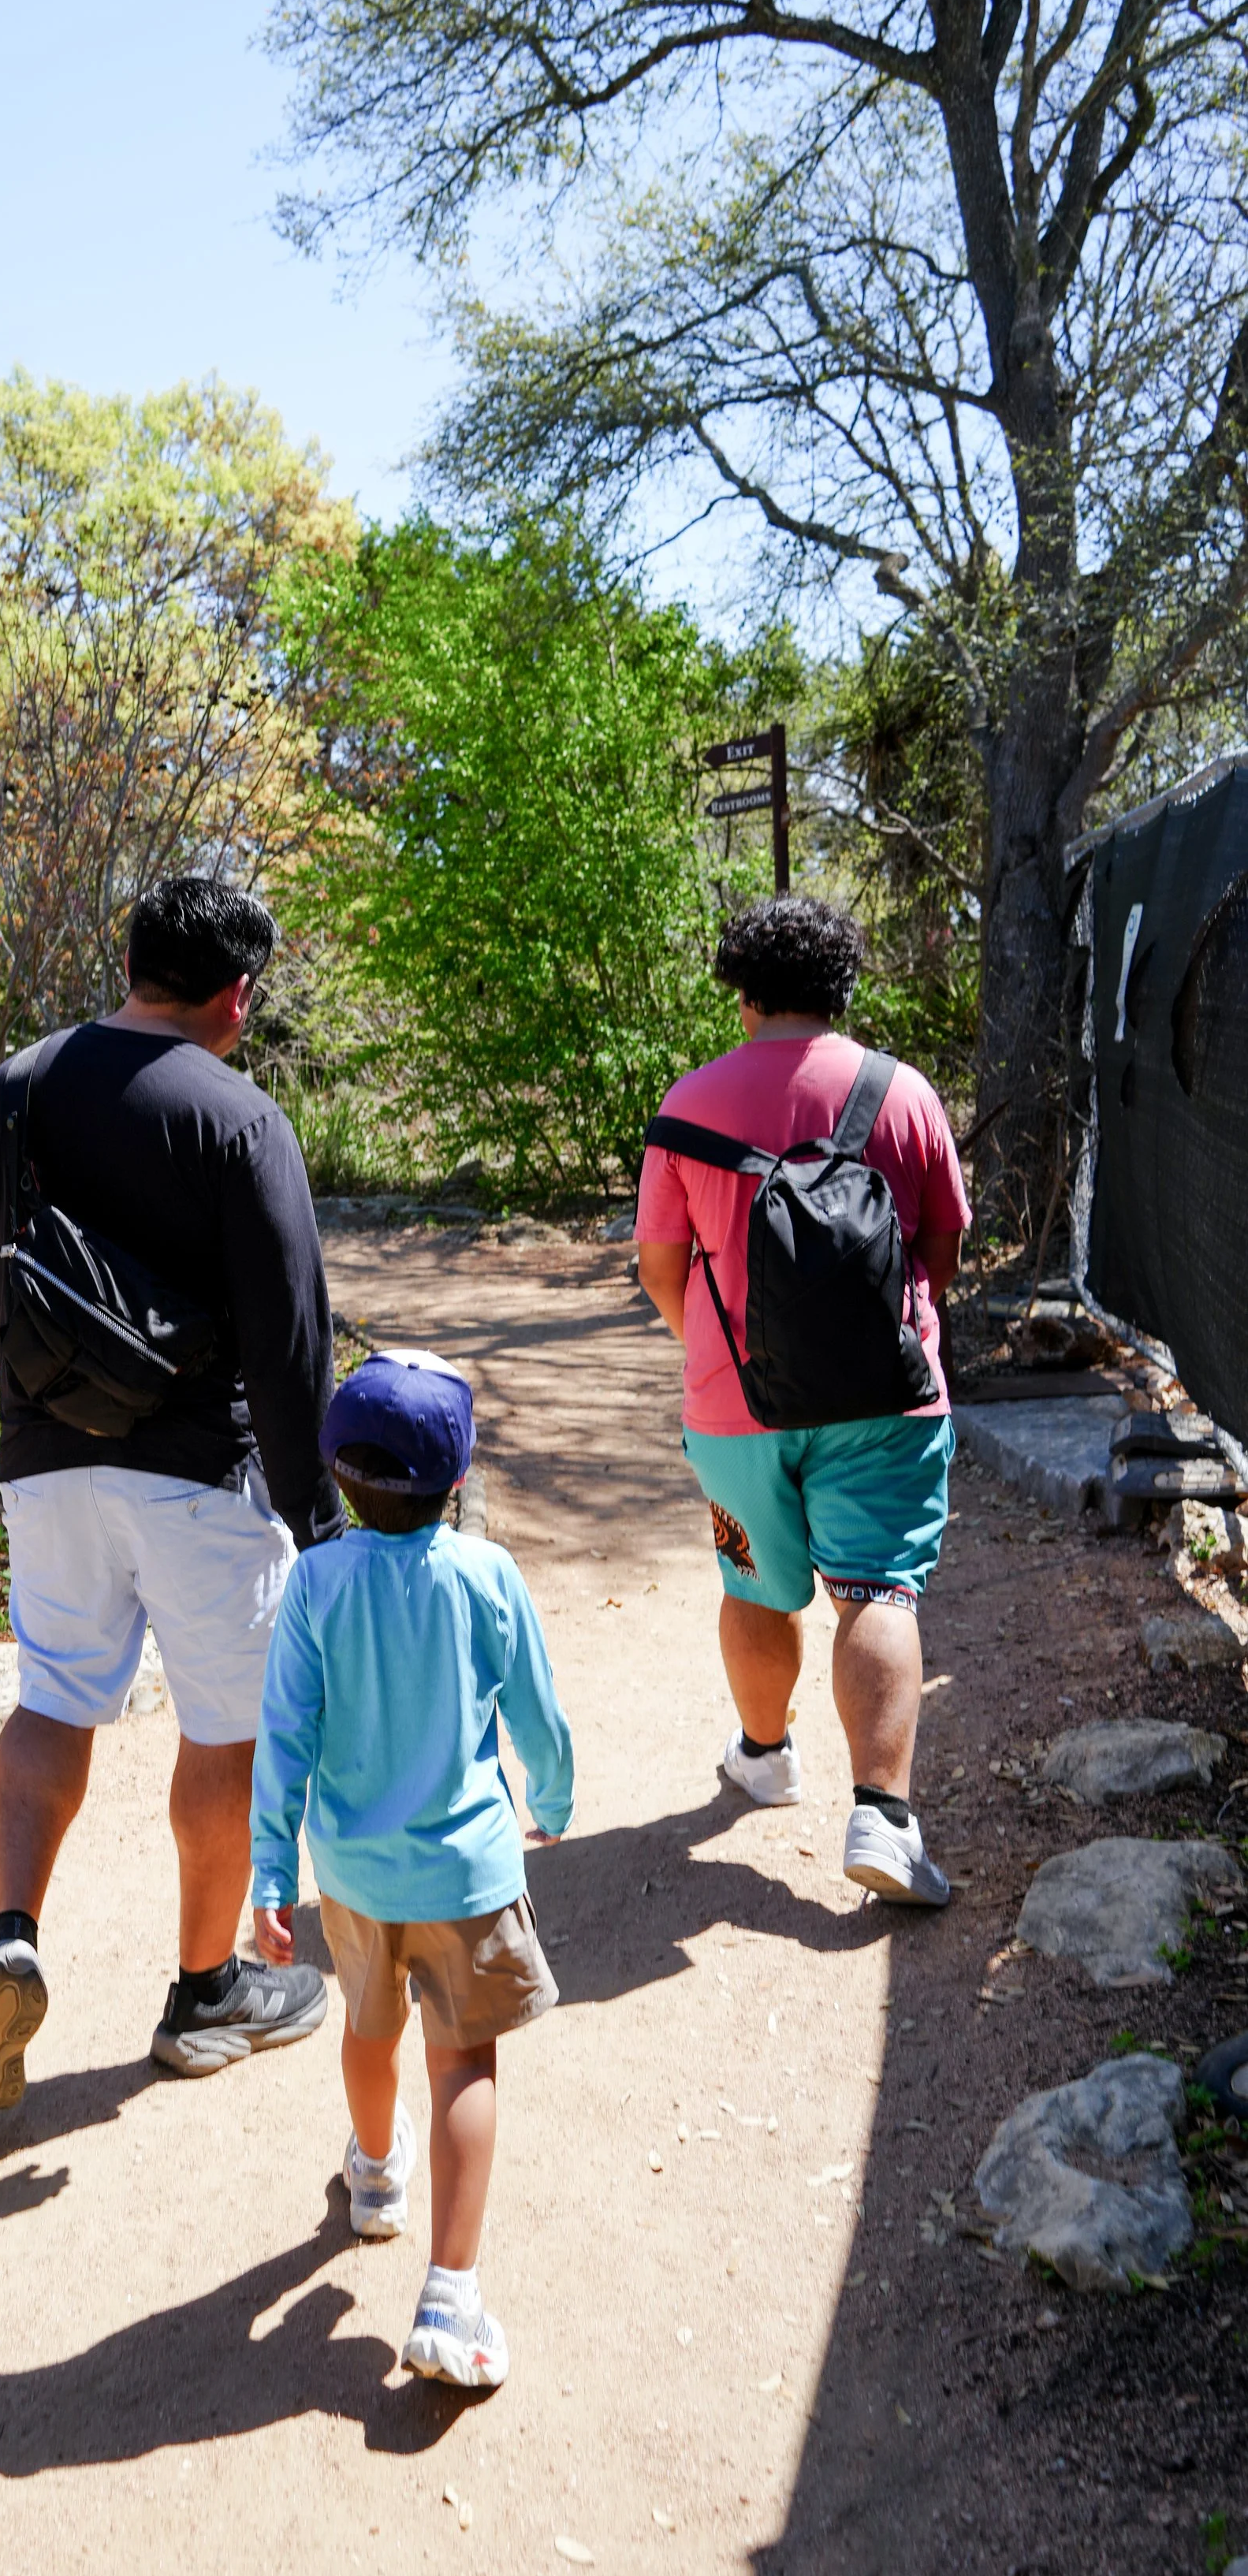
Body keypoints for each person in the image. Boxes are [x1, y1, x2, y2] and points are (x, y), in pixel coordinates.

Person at [0, 874, 345, 2108]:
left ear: (134, 964)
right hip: (201, 1472)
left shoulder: (18, 1082)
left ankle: (13, 1928)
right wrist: (317, 1522)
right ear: (236, 992)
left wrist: (70, 1346)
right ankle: (207, 1988)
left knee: (56, 1696)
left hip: (48, 1452)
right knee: (226, 1725)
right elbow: (289, 1343)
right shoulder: (238, 1116)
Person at [635, 895, 970, 1904]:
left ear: (743, 997)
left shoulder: (687, 1104)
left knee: (751, 1584)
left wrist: (721, 1357)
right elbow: (940, 1249)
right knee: (877, 1590)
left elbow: (659, 1266)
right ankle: (884, 1821)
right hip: (885, 1400)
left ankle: (764, 1756)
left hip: (734, 1411)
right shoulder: (902, 1092)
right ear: (843, 989)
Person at [250, 1349, 574, 2392]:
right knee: (464, 2060)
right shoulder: (486, 1575)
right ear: (459, 1480)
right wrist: (556, 1798)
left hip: (351, 1877)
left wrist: (269, 1871)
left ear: (339, 1472)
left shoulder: (316, 1580)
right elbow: (538, 1709)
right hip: (468, 1876)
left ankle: (377, 2172)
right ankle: (452, 2292)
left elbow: (284, 1732)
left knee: (368, 2026)